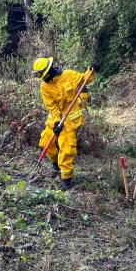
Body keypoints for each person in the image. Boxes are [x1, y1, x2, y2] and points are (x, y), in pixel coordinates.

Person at [31, 56, 96, 190]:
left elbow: (85, 79)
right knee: (45, 143)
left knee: (66, 149)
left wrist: (91, 70)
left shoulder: (69, 75)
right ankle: (56, 165)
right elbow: (51, 107)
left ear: (49, 71)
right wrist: (56, 123)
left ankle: (66, 179)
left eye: (43, 75)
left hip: (70, 118)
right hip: (56, 118)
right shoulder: (44, 87)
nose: (42, 79)